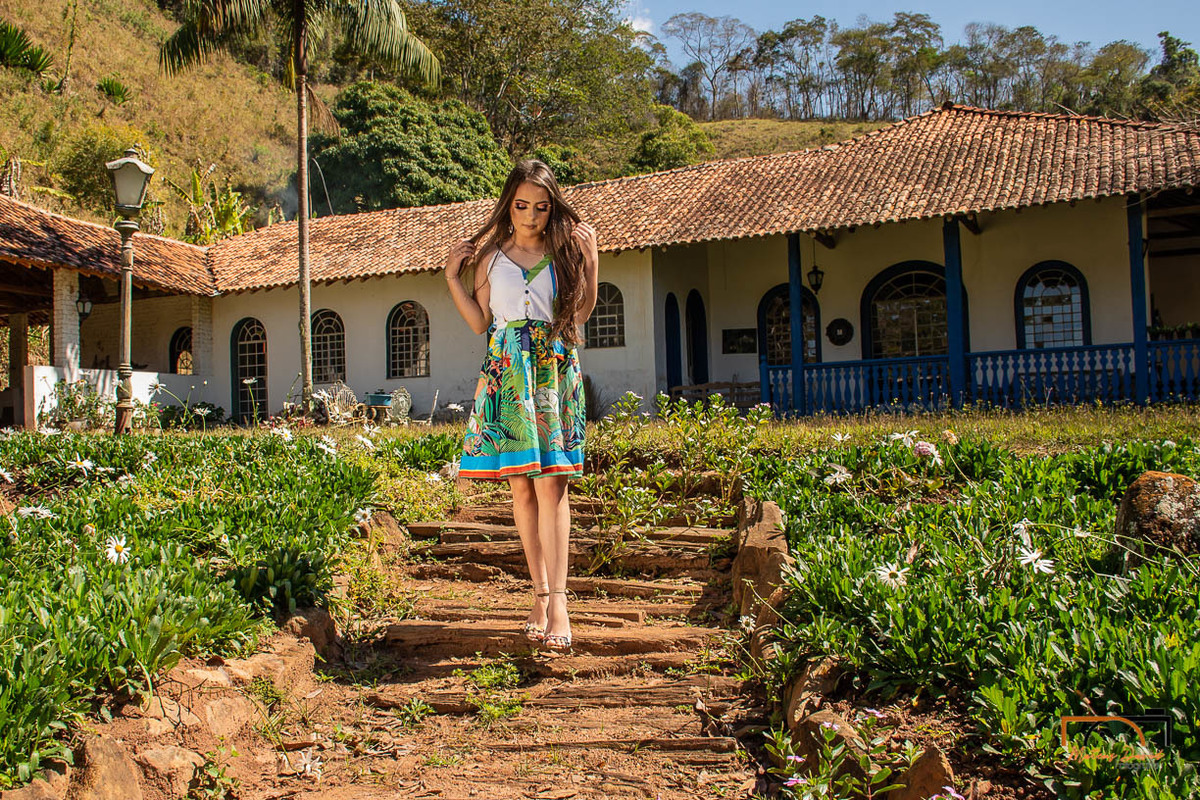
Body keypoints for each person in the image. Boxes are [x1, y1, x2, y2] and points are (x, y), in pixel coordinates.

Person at [444, 159, 599, 651]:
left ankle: (559, 603)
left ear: (552, 207)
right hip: (507, 377)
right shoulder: (490, 258)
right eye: (521, 205)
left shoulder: (565, 252)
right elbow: (478, 322)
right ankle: (538, 594)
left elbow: (578, 318)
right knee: (523, 493)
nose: (530, 215)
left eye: (541, 206)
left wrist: (592, 266)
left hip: (552, 371)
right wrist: (452, 278)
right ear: (508, 204)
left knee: (553, 489)